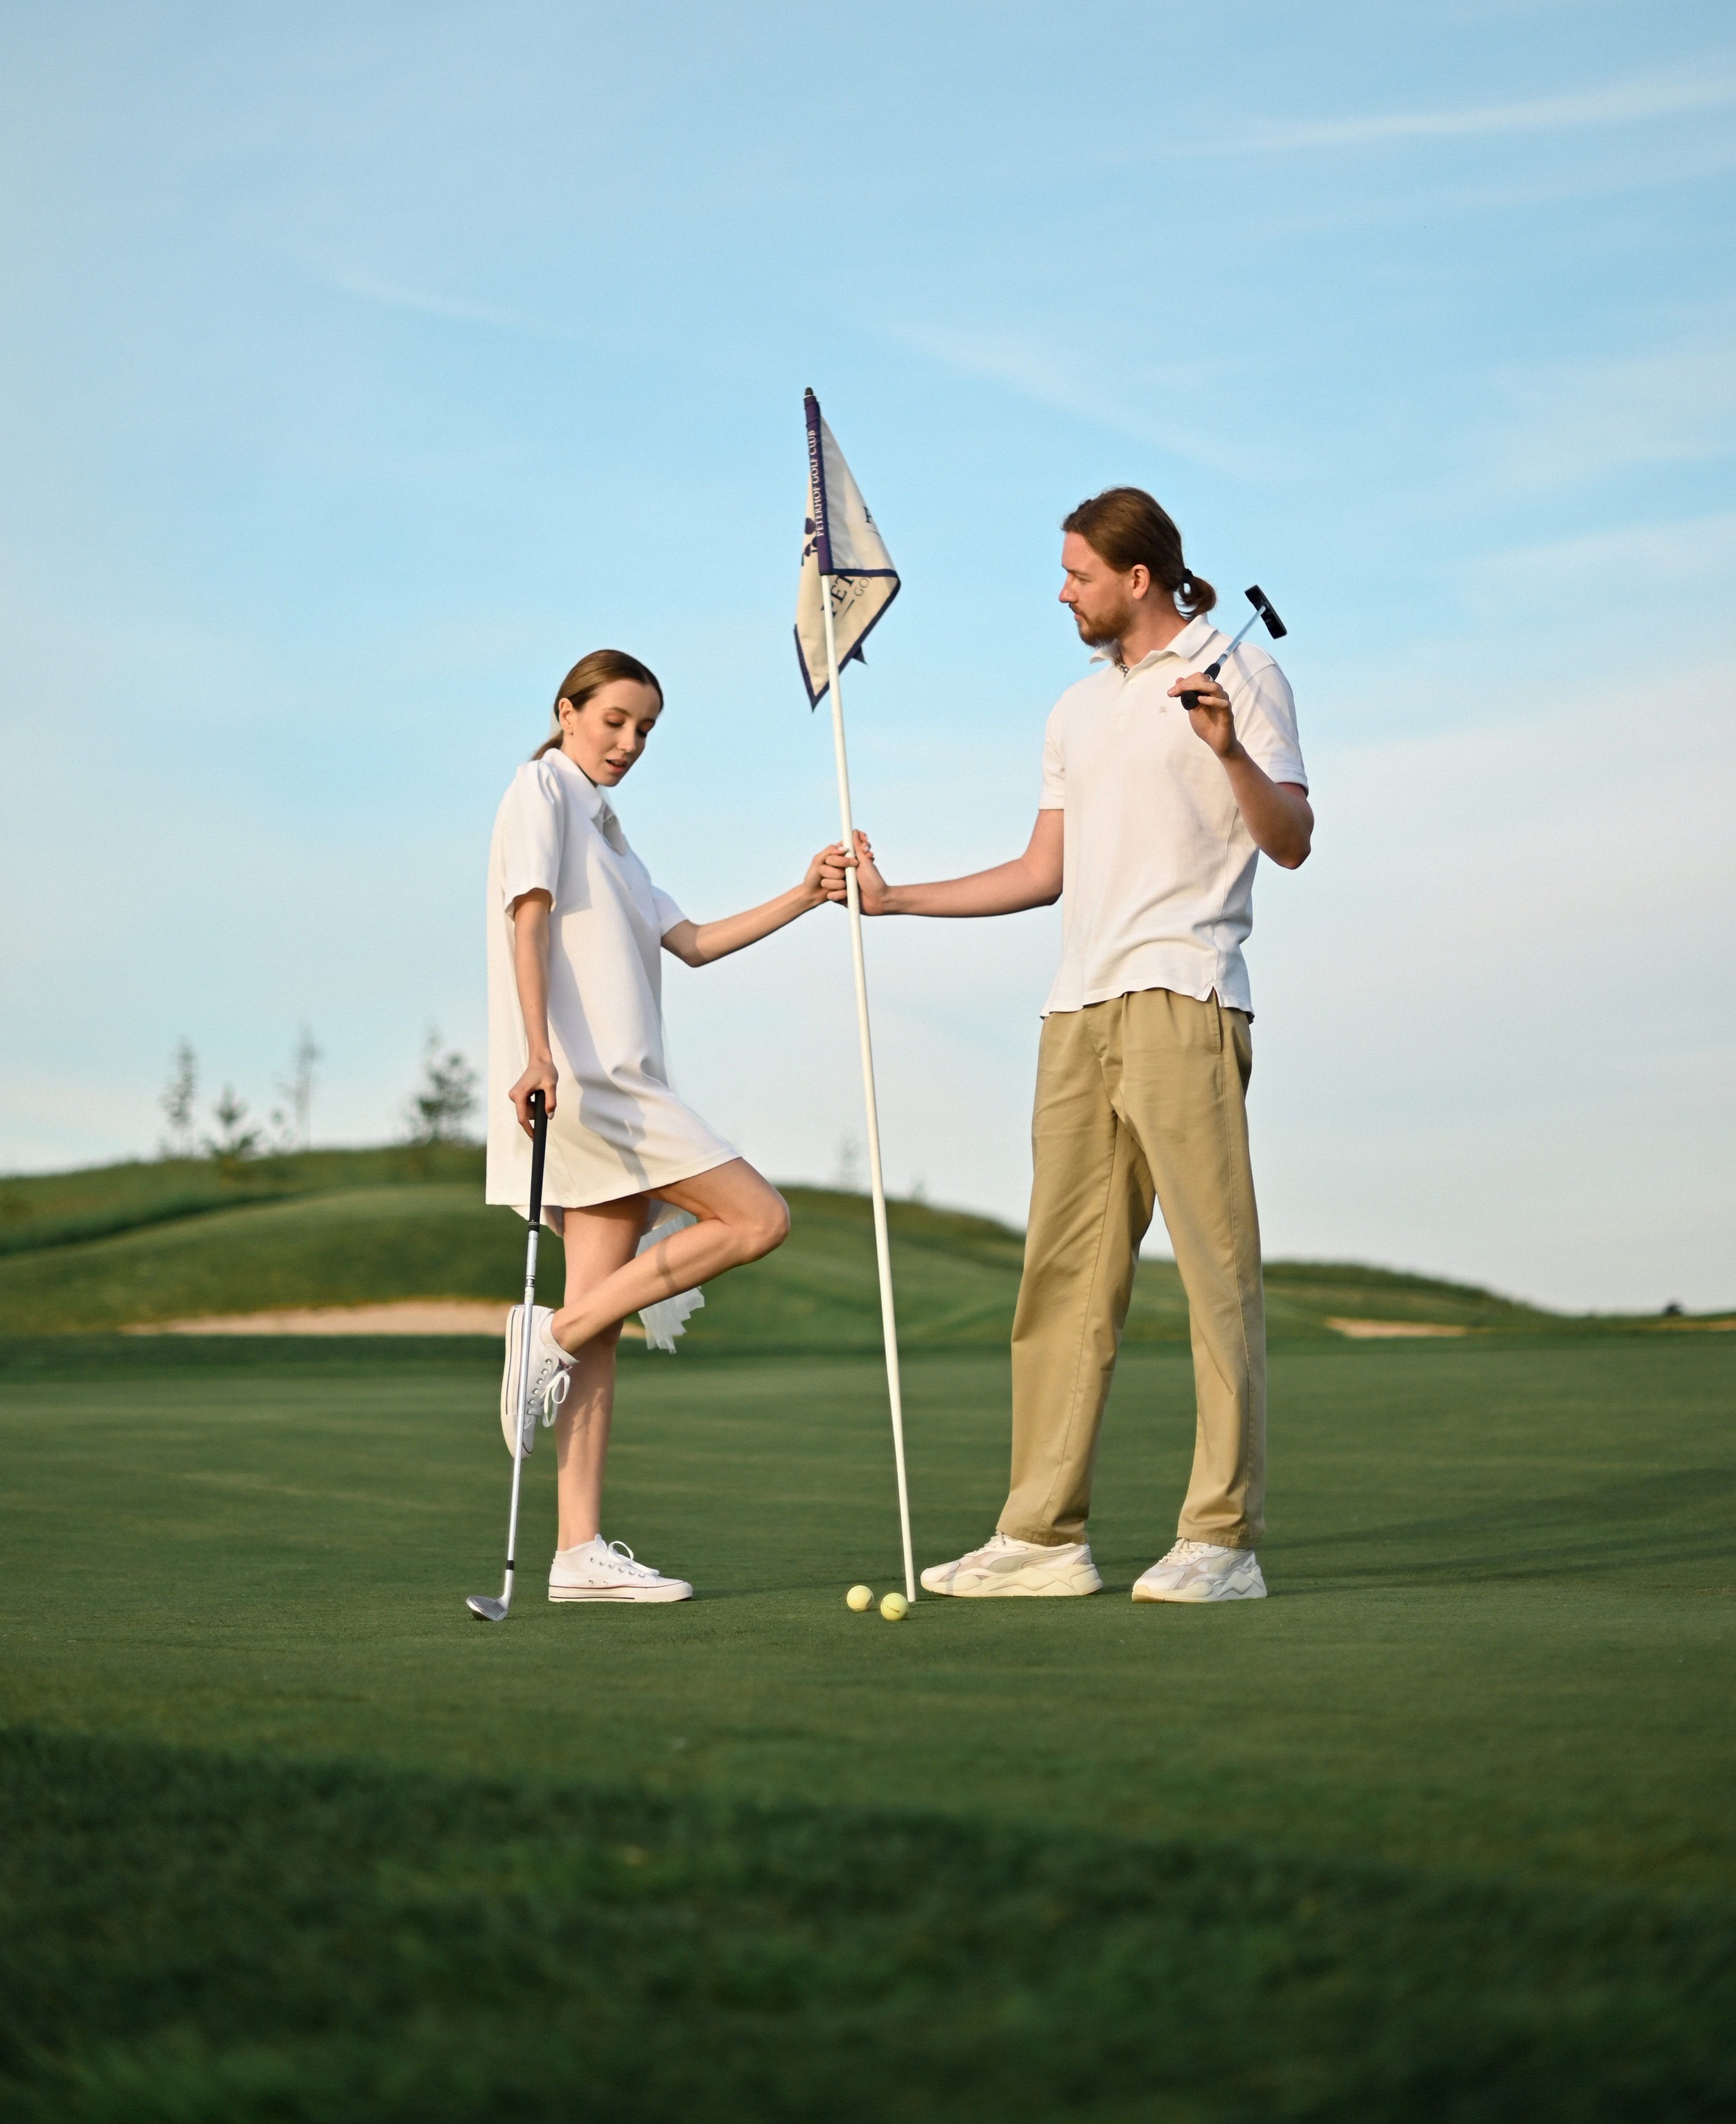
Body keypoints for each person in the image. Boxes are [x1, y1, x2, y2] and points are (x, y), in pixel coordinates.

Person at [834, 490, 1312, 1604]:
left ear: (1136, 577)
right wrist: (897, 901)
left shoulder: (1238, 675)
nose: (1063, 592)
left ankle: (1219, 1541)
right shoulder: (1073, 712)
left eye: (1078, 575)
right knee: (1062, 1281)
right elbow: (1041, 870)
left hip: (1183, 996)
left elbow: (1290, 839)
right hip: (1077, 1009)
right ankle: (1043, 1536)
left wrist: (1229, 749)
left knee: (1214, 1274)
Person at [486, 646, 841, 1604]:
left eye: (645, 729)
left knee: (599, 1332)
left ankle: (576, 1555)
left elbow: (692, 944)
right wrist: (536, 1051)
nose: (630, 742)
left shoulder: (614, 838)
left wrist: (805, 895)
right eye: (614, 721)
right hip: (590, 1087)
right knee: (758, 1219)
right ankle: (551, 1333)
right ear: (568, 712)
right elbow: (526, 917)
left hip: (624, 1088)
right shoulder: (541, 791)